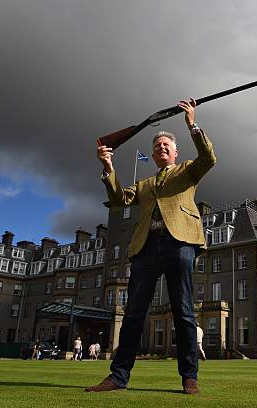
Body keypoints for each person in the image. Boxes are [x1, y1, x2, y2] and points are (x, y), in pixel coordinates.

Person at [86, 98, 215, 394]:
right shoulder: (143, 185)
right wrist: (108, 168)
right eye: (157, 146)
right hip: (145, 247)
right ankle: (118, 377)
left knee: (183, 311)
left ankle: (189, 377)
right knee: (133, 314)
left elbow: (209, 158)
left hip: (179, 242)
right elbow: (119, 199)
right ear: (154, 154)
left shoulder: (187, 171)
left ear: (175, 151)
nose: (161, 149)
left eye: (167, 145)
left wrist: (192, 124)